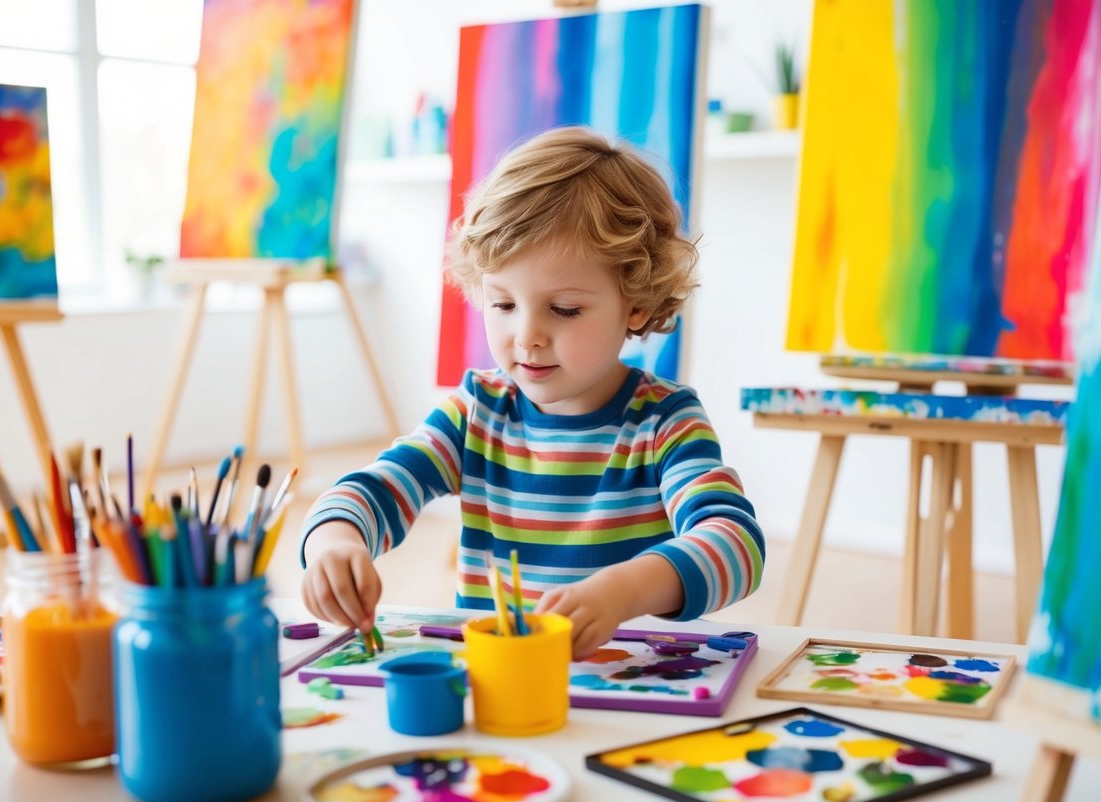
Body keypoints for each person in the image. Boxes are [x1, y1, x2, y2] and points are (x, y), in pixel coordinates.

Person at [300, 126, 764, 659]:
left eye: (564, 309)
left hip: (629, 680)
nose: (526, 336)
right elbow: (371, 489)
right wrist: (333, 542)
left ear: (635, 304)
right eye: (502, 304)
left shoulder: (666, 421)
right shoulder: (475, 413)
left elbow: (736, 544)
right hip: (503, 678)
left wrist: (622, 592)